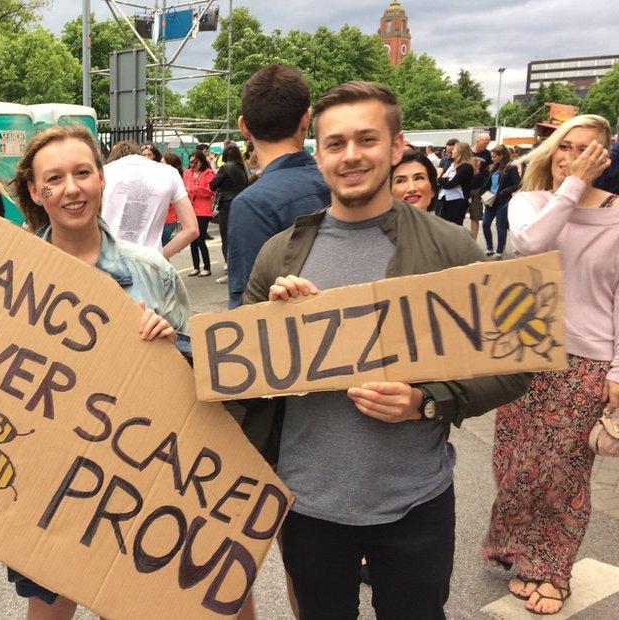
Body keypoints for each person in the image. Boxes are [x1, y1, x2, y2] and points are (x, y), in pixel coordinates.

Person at [241, 81, 530, 619]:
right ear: (318, 153)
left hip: (414, 502)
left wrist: (427, 401)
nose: (351, 156)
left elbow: (516, 367)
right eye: (335, 143)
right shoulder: (278, 256)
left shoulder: (451, 250)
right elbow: (236, 376)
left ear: (396, 147)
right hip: (309, 503)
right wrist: (270, 324)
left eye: (367, 139)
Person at [0, 123, 192, 620]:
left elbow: (193, 387)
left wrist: (169, 350)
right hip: (42, 481)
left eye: (82, 173)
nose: (71, 189)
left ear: (101, 180)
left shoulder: (153, 273)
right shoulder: (5, 274)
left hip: (130, 481)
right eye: (54, 178)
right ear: (35, 190)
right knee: (49, 610)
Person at [484, 114, 616, 615]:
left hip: (588, 358)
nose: (572, 158)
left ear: (603, 159)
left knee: (563, 470)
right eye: (565, 148)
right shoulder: (530, 202)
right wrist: (572, 186)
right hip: (525, 350)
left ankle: (551, 569)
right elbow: (533, 243)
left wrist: (618, 373)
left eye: (586, 151)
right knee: (514, 463)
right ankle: (512, 543)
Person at [226, 63, 330, 309]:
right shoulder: (337, 184)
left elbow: (247, 309)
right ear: (306, 119)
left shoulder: (252, 204)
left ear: (244, 127)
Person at [101, 140, 199, 258]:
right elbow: (192, 230)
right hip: (149, 265)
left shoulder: (102, 172)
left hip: (108, 261)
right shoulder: (169, 173)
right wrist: (159, 258)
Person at [210, 144, 249, 283]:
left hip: (227, 203)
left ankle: (229, 268)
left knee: (225, 236)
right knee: (237, 235)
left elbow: (212, 185)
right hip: (241, 203)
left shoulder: (226, 167)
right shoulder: (242, 168)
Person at [481, 144, 520, 258]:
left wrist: (504, 192)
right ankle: (489, 247)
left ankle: (499, 250)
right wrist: (484, 193)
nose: (492, 159)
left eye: (494, 156)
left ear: (502, 156)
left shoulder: (511, 167)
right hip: (490, 199)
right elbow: (489, 183)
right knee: (485, 224)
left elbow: (517, 184)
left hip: (503, 200)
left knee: (500, 225)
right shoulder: (494, 167)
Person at [184, 150, 216, 277]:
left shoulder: (208, 174)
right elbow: (184, 188)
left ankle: (207, 267)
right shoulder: (187, 173)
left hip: (203, 211)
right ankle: (196, 266)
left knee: (200, 238)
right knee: (192, 239)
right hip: (190, 209)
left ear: (201, 161)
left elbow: (210, 191)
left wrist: (194, 189)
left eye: (195, 162)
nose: (192, 165)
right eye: (190, 162)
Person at [436, 141, 474, 226]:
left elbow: (451, 184)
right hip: (445, 198)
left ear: (461, 152)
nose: (452, 151)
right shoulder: (452, 165)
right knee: (442, 225)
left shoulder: (467, 167)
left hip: (458, 201)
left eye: (455, 149)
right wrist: (444, 180)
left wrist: (444, 180)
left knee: (454, 227)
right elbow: (441, 179)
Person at [467, 133, 493, 240]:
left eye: (488, 142)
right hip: (464, 186)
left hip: (478, 188)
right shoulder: (467, 152)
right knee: (458, 214)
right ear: (478, 140)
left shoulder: (488, 154)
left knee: (475, 217)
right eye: (485, 141)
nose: (487, 144)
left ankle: (473, 241)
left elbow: (491, 168)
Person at [160, 151, 185, 247]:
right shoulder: (163, 178)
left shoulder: (172, 181)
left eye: (162, 163)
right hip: (163, 220)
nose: (159, 165)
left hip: (168, 220)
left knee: (160, 252)